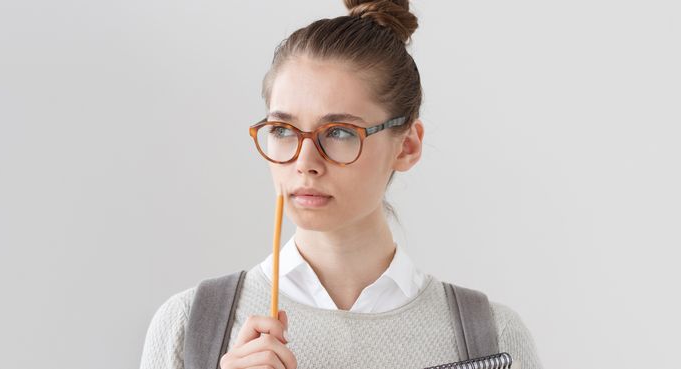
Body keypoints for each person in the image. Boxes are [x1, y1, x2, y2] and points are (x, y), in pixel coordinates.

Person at [139, 1, 543, 368]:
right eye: (282, 129)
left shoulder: (491, 341)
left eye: (340, 132)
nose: (304, 162)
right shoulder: (188, 326)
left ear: (407, 146)